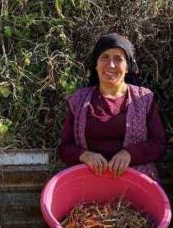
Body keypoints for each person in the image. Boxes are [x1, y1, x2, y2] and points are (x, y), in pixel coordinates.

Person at [57, 33, 166, 181]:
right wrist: (85, 155)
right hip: (89, 179)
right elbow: (64, 148)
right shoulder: (78, 101)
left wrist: (129, 154)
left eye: (118, 59)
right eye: (105, 57)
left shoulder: (144, 99)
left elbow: (158, 144)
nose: (111, 65)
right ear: (96, 64)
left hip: (134, 179)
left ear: (128, 67)